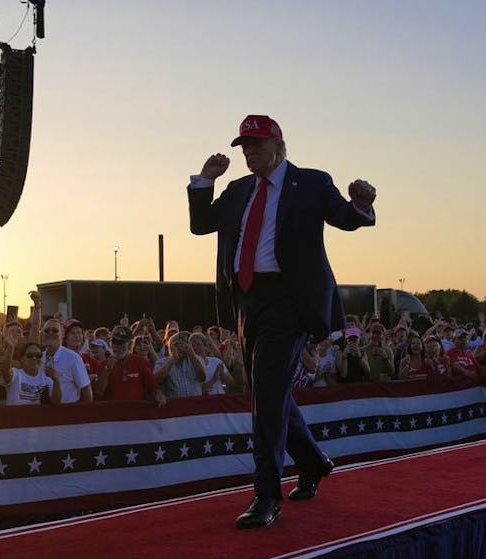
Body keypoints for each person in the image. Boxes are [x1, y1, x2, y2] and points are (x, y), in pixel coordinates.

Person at [187, 114, 376, 528]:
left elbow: (346, 217)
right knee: (267, 392)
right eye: (244, 147)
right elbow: (202, 225)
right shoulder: (238, 190)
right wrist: (205, 180)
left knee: (267, 394)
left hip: (290, 301)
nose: (250, 152)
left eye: (256, 144)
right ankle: (312, 462)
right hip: (246, 300)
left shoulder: (310, 182)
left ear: (278, 144)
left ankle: (266, 494)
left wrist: (362, 204)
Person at [93, 326, 165, 405]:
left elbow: (153, 388)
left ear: (130, 344)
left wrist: (159, 396)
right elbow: (98, 392)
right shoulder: (104, 365)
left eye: (121, 343)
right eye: (114, 342)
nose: (116, 346)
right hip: (112, 414)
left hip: (135, 414)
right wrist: (107, 369)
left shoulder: (141, 362)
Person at [39, 318, 92, 404]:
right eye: (47, 331)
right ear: (42, 334)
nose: (50, 333)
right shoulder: (39, 358)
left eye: (55, 330)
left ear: (62, 334)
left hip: (68, 413)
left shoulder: (73, 358)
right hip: (44, 413)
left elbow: (86, 390)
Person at [0, 341, 58, 405]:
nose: (34, 358)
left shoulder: (47, 378)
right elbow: (5, 371)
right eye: (30, 355)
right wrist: (11, 347)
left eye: (38, 355)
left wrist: (56, 380)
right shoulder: (16, 374)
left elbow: (56, 402)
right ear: (22, 359)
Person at [154, 331, 206, 398]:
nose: (181, 348)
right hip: (175, 405)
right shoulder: (161, 362)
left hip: (195, 403)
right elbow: (157, 381)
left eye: (183, 344)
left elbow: (202, 377)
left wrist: (192, 354)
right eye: (177, 345)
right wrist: (173, 358)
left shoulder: (197, 359)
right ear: (170, 347)